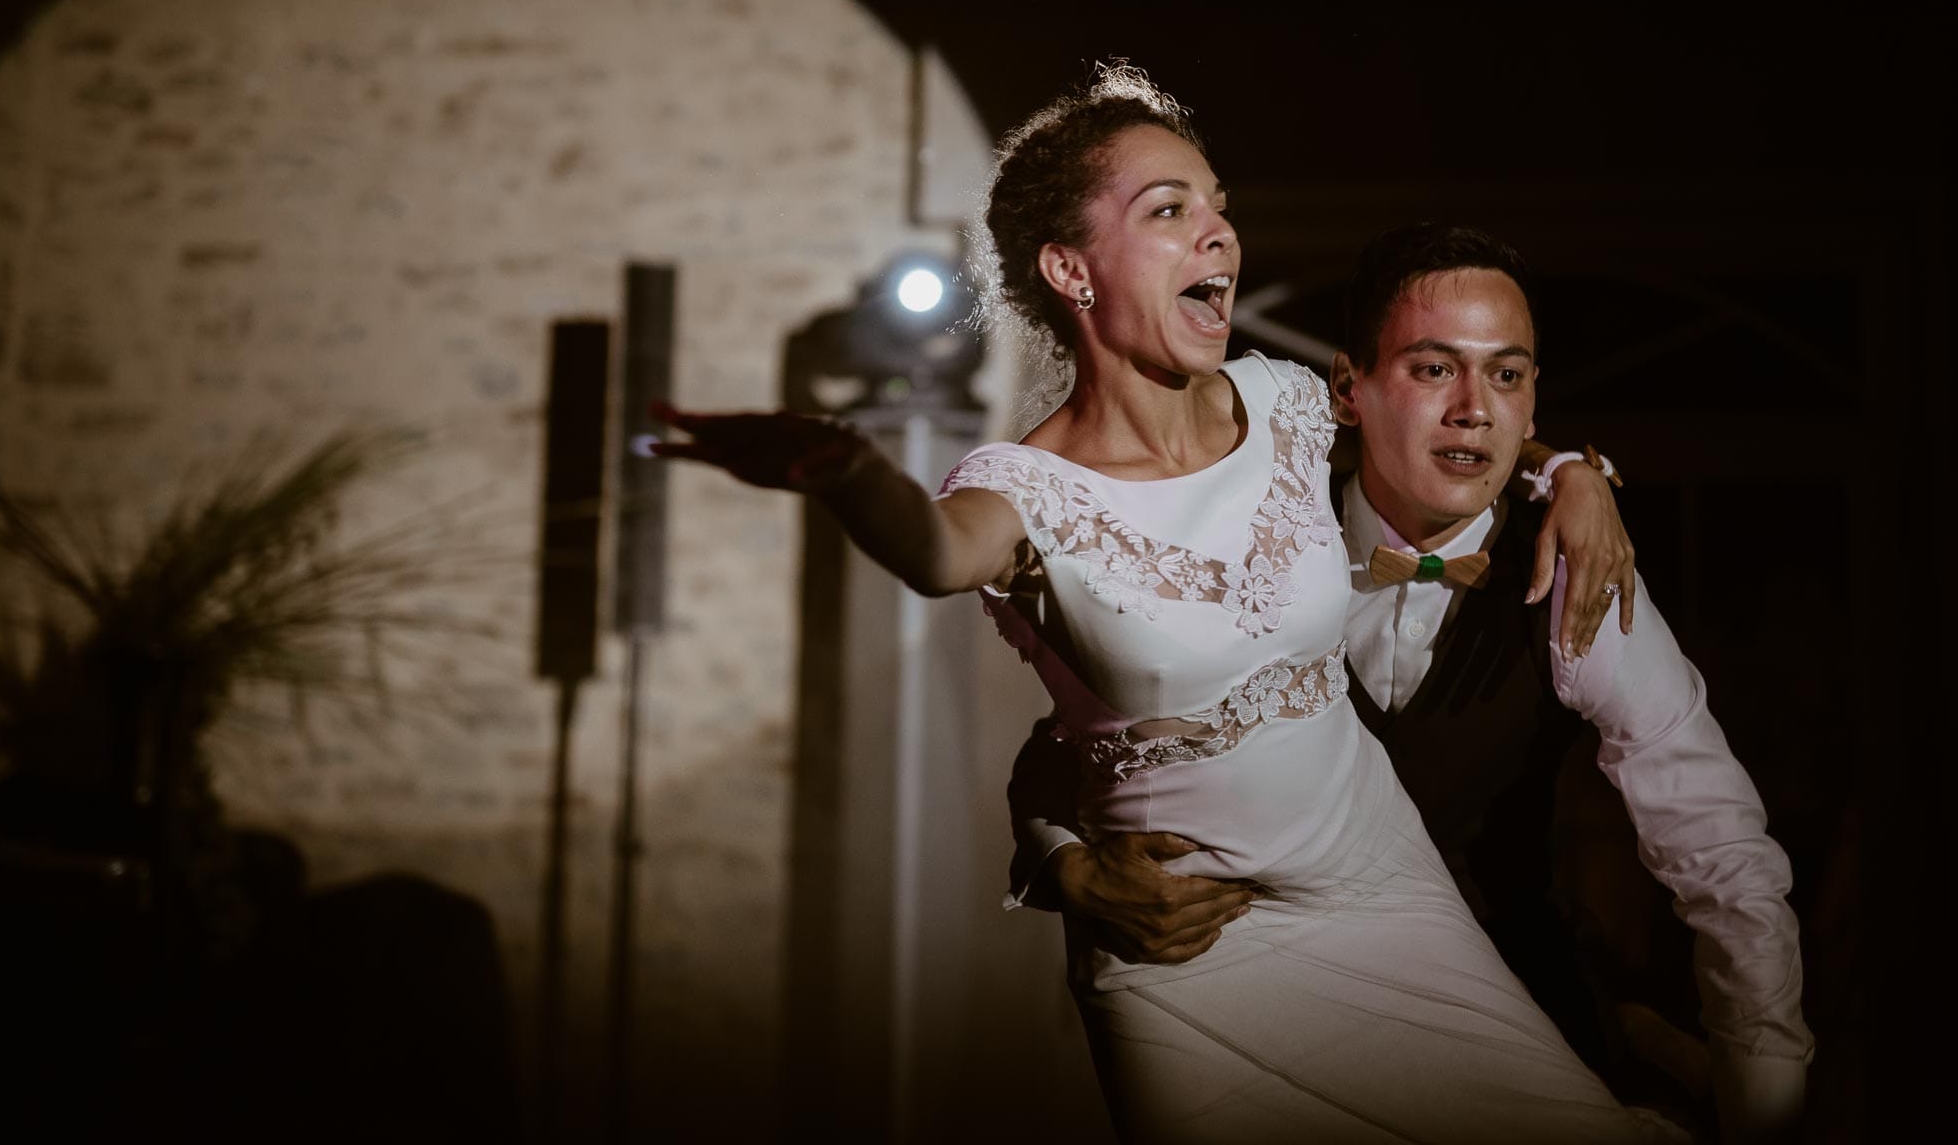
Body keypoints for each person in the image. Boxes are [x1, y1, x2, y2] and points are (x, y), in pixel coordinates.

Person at [655, 66, 1654, 1142]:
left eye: (1218, 206)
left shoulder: (1283, 404)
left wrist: (1571, 473)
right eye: (1170, 211)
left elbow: (1447, 435)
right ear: (1068, 269)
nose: (1217, 234)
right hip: (1175, 953)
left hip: (1379, 897)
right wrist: (842, 469)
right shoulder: (1025, 490)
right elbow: (936, 554)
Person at [1005, 223, 1813, 1142]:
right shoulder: (1249, 537)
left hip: (1520, 1034)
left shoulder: (1571, 576)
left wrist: (1765, 1098)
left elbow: (1720, 849)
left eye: (1507, 375)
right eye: (1434, 370)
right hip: (1268, 1036)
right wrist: (1064, 866)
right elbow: (1077, 736)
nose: (1475, 409)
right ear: (1348, 389)